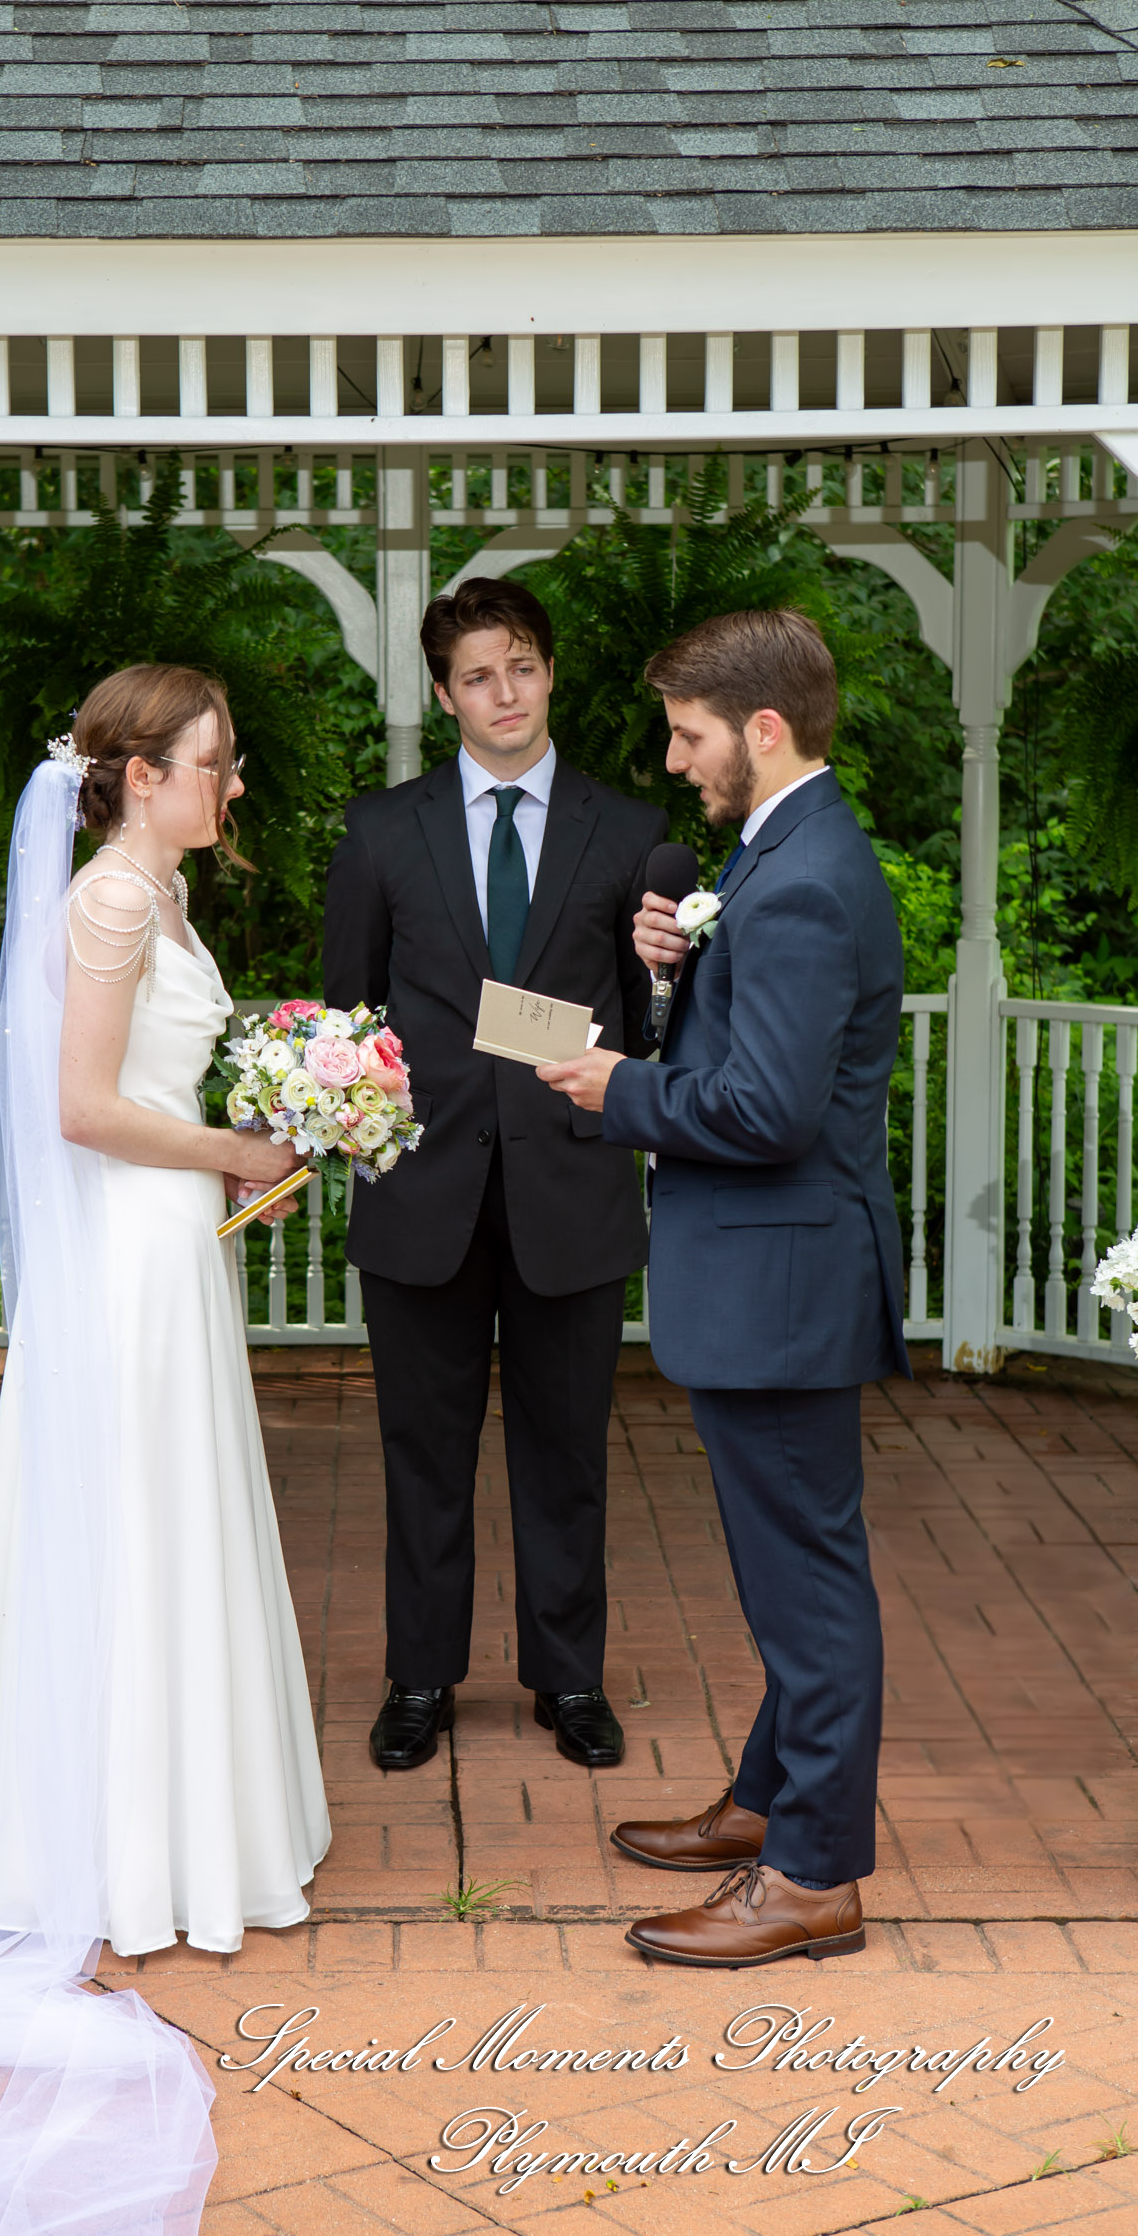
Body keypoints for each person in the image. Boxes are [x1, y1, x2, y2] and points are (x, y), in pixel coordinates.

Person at [0, 667, 330, 2236]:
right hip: (130, 1251)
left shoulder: (161, 893)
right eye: (213, 764)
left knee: (174, 1524)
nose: (231, 783)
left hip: (170, 1245)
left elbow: (148, 1082)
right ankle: (120, 1855)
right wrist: (237, 1146)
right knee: (132, 1528)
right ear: (137, 776)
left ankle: (180, 1826)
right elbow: (81, 1107)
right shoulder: (113, 906)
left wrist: (272, 1134)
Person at [537, 608, 908, 1969]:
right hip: (768, 1278)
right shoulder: (779, 855)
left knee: (808, 1581)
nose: (680, 763)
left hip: (787, 1284)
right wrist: (667, 980)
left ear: (763, 729)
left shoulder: (806, 877)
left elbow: (767, 1110)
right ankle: (768, 1803)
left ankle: (813, 1874)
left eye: (691, 736)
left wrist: (617, 1086)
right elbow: (750, 1051)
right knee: (786, 1569)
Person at [323, 576, 668, 1774]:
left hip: (570, 1192)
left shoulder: (628, 834)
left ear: (551, 673)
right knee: (422, 1453)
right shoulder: (380, 832)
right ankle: (420, 1677)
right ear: (442, 695)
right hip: (423, 1196)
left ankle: (569, 1678)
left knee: (568, 1452)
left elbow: (653, 1028)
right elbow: (349, 1020)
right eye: (478, 674)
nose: (504, 692)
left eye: (521, 665)